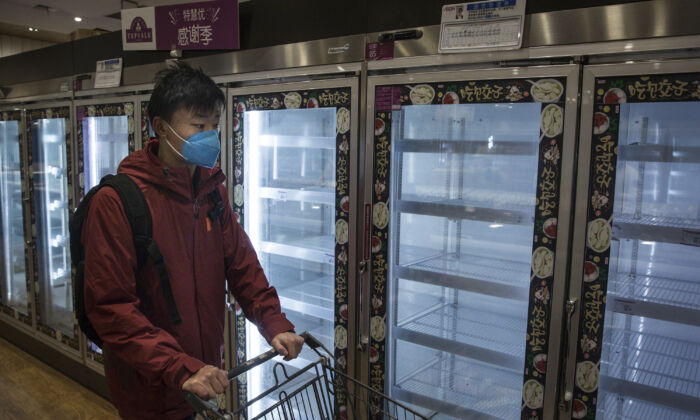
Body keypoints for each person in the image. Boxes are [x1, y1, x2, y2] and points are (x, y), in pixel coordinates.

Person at [82, 61, 304, 420]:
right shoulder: (118, 201)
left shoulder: (209, 191)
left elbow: (242, 265)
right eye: (199, 126)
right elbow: (111, 307)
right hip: (150, 386)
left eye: (214, 126)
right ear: (161, 128)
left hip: (203, 377)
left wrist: (274, 322)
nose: (210, 136)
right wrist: (178, 367)